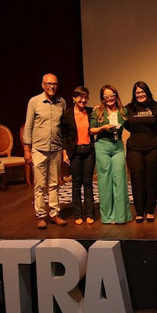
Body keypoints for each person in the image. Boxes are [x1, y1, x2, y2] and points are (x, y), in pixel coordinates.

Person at [23, 73, 68, 229]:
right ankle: (41, 216)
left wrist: (64, 149)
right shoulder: (34, 102)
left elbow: (63, 127)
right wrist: (26, 149)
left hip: (55, 148)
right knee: (40, 185)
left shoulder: (62, 102)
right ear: (43, 85)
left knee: (54, 183)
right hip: (39, 149)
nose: (51, 86)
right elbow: (28, 126)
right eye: (48, 84)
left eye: (54, 84)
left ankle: (54, 214)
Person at [124, 81, 157, 223]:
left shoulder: (156, 107)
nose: (140, 95)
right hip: (134, 148)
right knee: (137, 179)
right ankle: (139, 211)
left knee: (152, 179)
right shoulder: (129, 108)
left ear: (147, 92)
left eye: (142, 92)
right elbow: (124, 123)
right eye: (137, 93)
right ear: (134, 94)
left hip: (154, 148)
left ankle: (150, 210)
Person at [90, 85, 131, 224]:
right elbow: (91, 130)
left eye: (111, 95)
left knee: (120, 179)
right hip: (102, 146)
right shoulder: (98, 111)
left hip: (118, 146)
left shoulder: (123, 110)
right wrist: (103, 128)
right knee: (105, 181)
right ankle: (108, 217)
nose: (109, 98)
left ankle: (121, 216)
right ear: (102, 98)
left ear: (116, 95)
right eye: (106, 96)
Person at [62, 85, 95, 225]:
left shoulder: (91, 112)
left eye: (86, 98)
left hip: (88, 151)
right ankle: (77, 214)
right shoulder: (67, 114)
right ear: (74, 98)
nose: (83, 100)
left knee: (88, 183)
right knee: (76, 183)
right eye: (80, 97)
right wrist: (64, 153)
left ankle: (89, 214)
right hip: (74, 152)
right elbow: (64, 135)